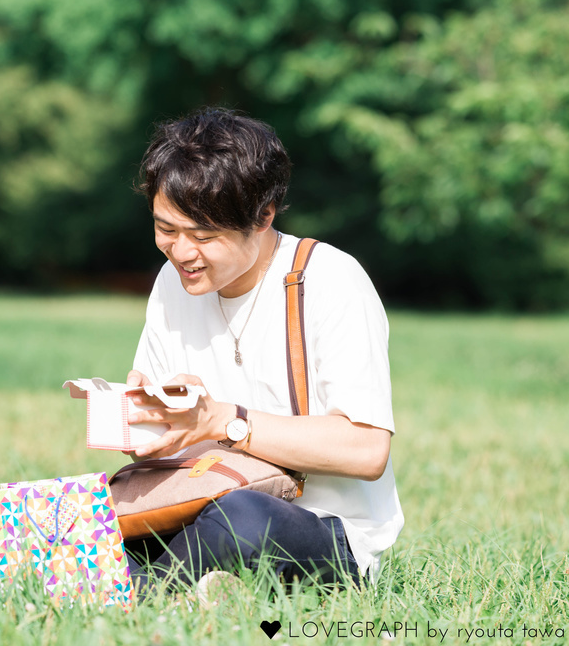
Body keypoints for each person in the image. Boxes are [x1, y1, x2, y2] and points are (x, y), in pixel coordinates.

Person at [123, 107, 404, 593]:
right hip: (193, 503)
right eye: (166, 229)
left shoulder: (330, 281)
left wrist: (222, 420)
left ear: (264, 216)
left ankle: (127, 589)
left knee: (244, 521)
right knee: (76, 516)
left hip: (318, 530)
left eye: (204, 236)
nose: (182, 252)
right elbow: (148, 439)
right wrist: (144, 415)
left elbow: (366, 449)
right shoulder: (173, 280)